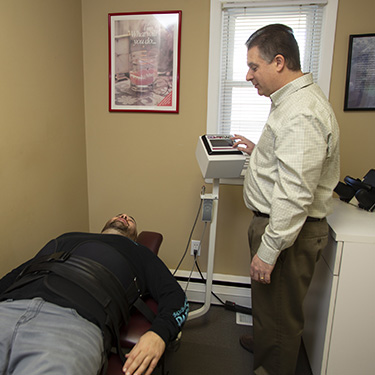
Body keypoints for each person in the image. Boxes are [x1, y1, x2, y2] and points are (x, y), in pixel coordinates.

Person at [232, 24, 340, 375]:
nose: (249, 76)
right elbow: (290, 158)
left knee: (280, 316)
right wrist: (259, 150)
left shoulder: (301, 112)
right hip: (282, 227)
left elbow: (295, 193)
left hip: (288, 233)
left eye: (253, 67)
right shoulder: (292, 103)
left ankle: (273, 355)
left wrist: (269, 249)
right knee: (271, 307)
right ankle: (267, 341)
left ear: (278, 62)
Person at [0, 213, 189, 375]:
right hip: (8, 308)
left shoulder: (140, 253)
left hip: (72, 325)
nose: (124, 217)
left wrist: (159, 334)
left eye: (130, 220)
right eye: (120, 215)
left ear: (135, 237)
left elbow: (175, 296)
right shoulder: (67, 237)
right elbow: (14, 276)